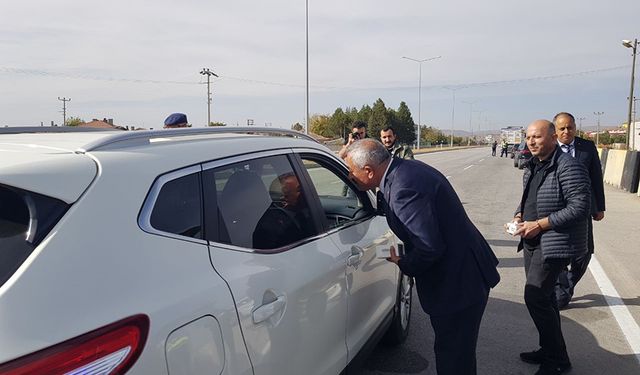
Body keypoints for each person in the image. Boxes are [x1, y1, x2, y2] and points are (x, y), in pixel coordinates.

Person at [343, 138, 500, 375]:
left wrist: (403, 263)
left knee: (454, 357)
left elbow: (429, 247)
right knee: (458, 354)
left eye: (351, 171)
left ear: (368, 170)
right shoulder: (402, 171)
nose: (349, 176)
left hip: (458, 283)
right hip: (463, 271)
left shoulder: (403, 188)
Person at [511, 119, 590, 375]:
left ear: (553, 138)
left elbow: (579, 207)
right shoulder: (532, 166)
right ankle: (552, 351)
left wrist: (541, 224)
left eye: (537, 137)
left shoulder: (569, 166)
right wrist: (519, 216)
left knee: (534, 296)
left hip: (554, 242)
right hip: (532, 241)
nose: (531, 141)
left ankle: (556, 360)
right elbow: (529, 198)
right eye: (528, 137)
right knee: (545, 299)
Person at [552, 112, 606, 309]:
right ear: (555, 131)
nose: (567, 131)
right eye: (562, 128)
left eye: (570, 127)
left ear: (575, 127)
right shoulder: (549, 147)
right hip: (555, 209)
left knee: (585, 253)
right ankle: (561, 291)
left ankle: (567, 284)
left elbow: (596, 179)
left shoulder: (587, 147)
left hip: (582, 210)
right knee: (557, 253)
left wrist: (599, 207)